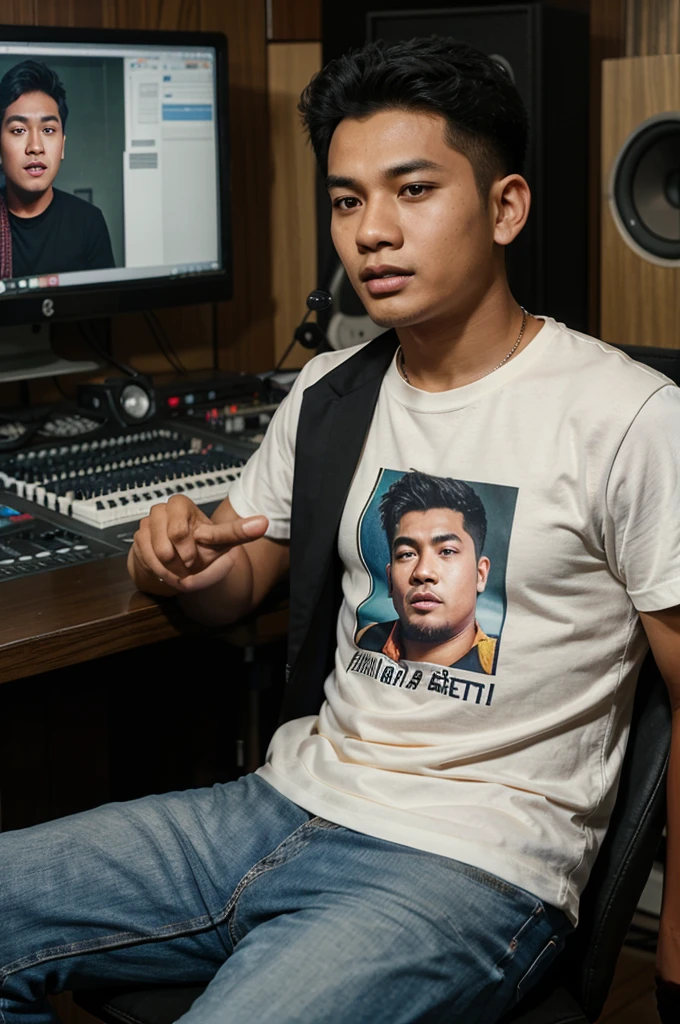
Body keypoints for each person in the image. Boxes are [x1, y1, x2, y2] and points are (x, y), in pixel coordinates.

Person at [2, 36, 680, 1024]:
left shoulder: (625, 415)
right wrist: (173, 559)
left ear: (504, 208)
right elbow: (238, 578)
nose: (371, 232)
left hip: (466, 865)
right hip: (277, 804)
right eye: (346, 199)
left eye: (411, 191)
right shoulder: (329, 393)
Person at [355, 470, 498, 674]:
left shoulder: (498, 663)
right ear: (389, 578)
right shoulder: (367, 638)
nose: (422, 572)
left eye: (447, 551)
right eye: (406, 554)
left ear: (480, 574)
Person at [0, 59, 114, 280]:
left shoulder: (88, 223)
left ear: (62, 144)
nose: (35, 147)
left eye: (48, 129)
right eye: (19, 130)